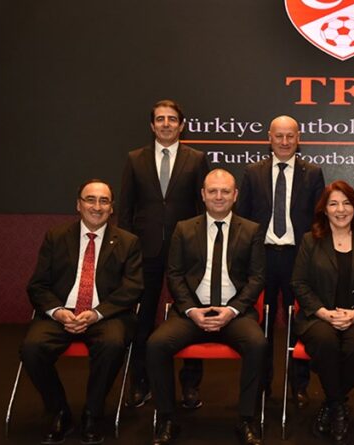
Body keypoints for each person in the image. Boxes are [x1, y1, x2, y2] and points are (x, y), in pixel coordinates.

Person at [146, 169, 267, 445]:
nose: (219, 196)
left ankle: (247, 419)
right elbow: (174, 275)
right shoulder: (184, 228)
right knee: (156, 345)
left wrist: (231, 310)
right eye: (212, 191)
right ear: (203, 195)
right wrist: (191, 310)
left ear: (235, 195)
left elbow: (257, 278)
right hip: (192, 313)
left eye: (225, 191)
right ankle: (166, 418)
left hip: (234, 313)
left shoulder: (251, 230)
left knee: (258, 344)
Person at [22, 179, 143, 445]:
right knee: (31, 349)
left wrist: (97, 313)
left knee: (112, 344)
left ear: (112, 208)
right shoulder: (56, 237)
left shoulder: (128, 241)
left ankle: (92, 413)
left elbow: (133, 288)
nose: (97, 207)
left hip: (106, 315)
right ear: (78, 205)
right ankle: (59, 412)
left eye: (104, 201)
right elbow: (37, 285)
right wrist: (57, 312)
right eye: (90, 199)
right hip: (61, 313)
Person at [119, 99, 211, 409]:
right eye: (160, 119)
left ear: (182, 125)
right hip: (145, 251)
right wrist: (126, 250)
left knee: (193, 316)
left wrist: (202, 248)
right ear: (152, 125)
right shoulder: (135, 159)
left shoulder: (197, 159)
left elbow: (203, 207)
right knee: (142, 319)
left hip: (187, 252)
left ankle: (190, 386)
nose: (166, 124)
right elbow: (126, 208)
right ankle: (140, 383)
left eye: (172, 119)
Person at [235, 115, 325, 406]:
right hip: (261, 259)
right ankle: (261, 383)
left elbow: (319, 221)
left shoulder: (313, 173)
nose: (284, 142)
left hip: (298, 258)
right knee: (260, 323)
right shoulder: (252, 172)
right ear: (269, 138)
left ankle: (299, 385)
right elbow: (243, 219)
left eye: (290, 136)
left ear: (299, 138)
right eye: (279, 136)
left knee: (300, 322)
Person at [290, 181, 354, 445]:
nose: (340, 210)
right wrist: (323, 312)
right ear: (324, 210)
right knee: (326, 342)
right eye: (333, 204)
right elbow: (299, 283)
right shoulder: (310, 240)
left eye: (346, 203)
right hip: (319, 316)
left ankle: (332, 404)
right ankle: (339, 407)